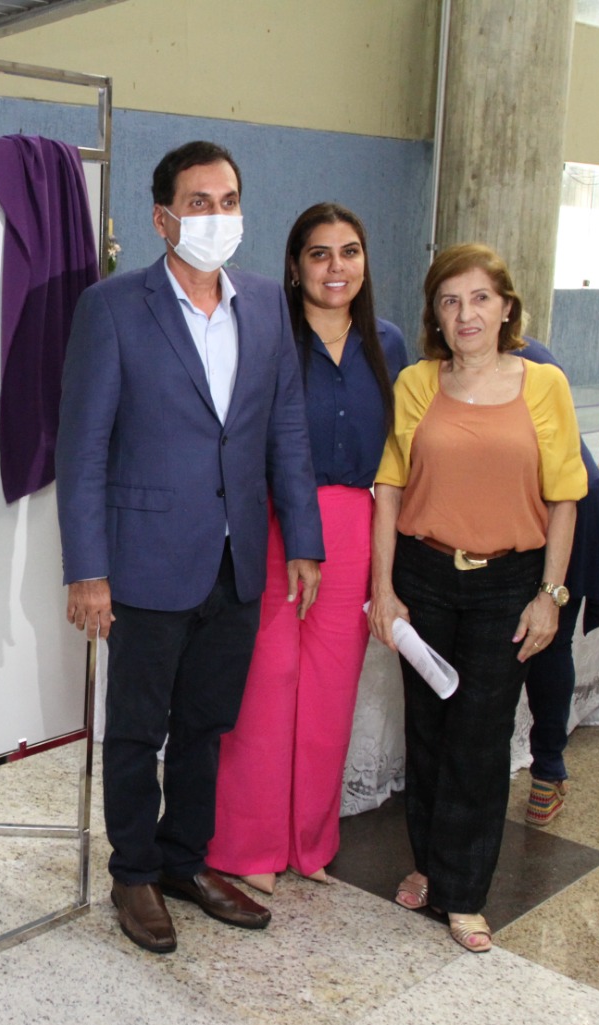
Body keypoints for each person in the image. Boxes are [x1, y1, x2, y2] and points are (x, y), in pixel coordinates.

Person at [55, 140, 324, 955]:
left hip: (236, 559)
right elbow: (83, 449)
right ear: (162, 218)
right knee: (138, 729)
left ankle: (184, 862)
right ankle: (134, 871)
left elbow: (284, 429)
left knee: (207, 725)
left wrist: (303, 539)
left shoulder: (266, 304)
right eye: (199, 202)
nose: (217, 216)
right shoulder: (112, 308)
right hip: (144, 558)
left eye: (228, 200)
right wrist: (87, 570)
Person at [369, 243, 585, 953]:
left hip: (507, 583)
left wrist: (550, 595)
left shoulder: (544, 385)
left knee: (481, 736)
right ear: (435, 314)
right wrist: (383, 590)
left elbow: (565, 497)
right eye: (450, 300)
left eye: (480, 298)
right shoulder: (416, 383)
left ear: (506, 307)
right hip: (425, 577)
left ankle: (464, 892)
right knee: (428, 730)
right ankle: (430, 864)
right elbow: (390, 487)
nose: (466, 314)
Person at [206, 203, 407, 894]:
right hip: (273, 518)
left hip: (354, 523)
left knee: (330, 691)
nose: (335, 267)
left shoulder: (388, 343)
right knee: (266, 684)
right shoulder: (266, 335)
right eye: (319, 254)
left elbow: (398, 458)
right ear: (295, 267)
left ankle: (310, 841)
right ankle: (247, 843)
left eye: (349, 252)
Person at [516, 337, 599, 825]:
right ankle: (545, 770)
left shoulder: (530, 361)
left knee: (547, 641)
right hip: (538, 503)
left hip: (564, 506)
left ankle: (548, 770)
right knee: (537, 645)